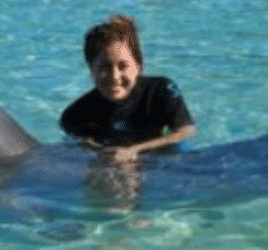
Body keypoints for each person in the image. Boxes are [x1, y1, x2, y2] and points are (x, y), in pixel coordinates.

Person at [60, 15, 196, 162]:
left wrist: (135, 151)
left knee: (183, 148)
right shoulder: (74, 116)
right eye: (105, 67)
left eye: (123, 66)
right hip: (114, 165)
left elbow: (186, 132)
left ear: (138, 66)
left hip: (160, 158)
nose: (115, 76)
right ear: (91, 68)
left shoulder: (160, 90)